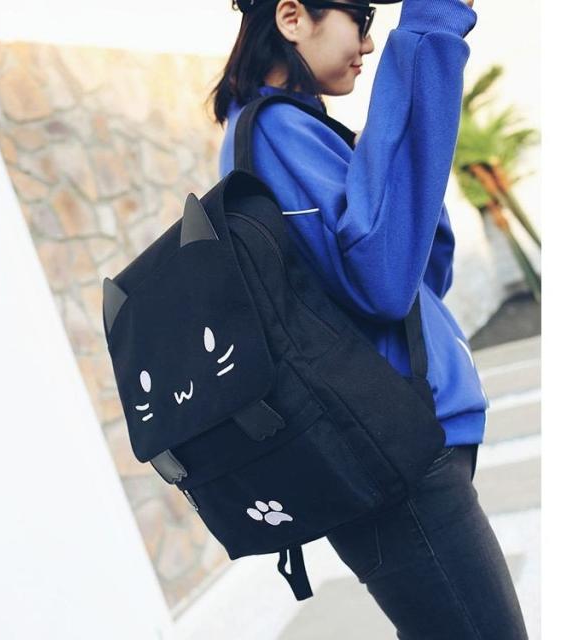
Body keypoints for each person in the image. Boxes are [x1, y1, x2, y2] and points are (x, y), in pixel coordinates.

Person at [209, 0, 530, 637]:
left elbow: (414, 278)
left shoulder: (286, 129)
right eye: (362, 17)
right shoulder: (277, 132)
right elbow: (384, 279)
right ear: (292, 17)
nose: (370, 43)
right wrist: (430, 29)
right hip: (394, 454)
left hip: (391, 446)